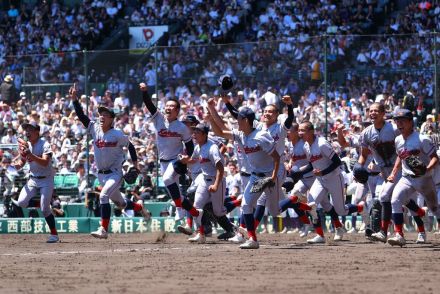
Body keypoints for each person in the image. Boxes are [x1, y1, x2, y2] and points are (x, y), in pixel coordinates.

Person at [70, 84, 149, 239]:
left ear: (111, 119)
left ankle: (103, 230)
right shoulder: (95, 129)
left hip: (115, 173)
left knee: (103, 196)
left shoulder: (117, 134)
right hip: (101, 174)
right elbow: (82, 116)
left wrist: (135, 164)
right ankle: (140, 208)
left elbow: (131, 146)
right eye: (100, 113)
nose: (101, 116)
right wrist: (75, 100)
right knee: (121, 203)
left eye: (105, 114)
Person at [208, 99, 280, 249]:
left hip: (270, 176)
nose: (237, 121)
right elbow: (219, 132)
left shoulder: (261, 136)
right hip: (256, 178)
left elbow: (277, 158)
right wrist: (211, 114)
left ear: (246, 120)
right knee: (246, 205)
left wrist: (273, 177)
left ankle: (296, 200)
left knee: (275, 211)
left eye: (239, 119)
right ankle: (253, 239)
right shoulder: (242, 135)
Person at [139, 83, 203, 227]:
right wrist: (144, 92)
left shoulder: (182, 127)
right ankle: (194, 213)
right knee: (174, 192)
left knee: (168, 179)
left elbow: (189, 145)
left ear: (177, 111)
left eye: (171, 106)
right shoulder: (158, 119)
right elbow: (149, 105)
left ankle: (180, 209)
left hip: (176, 160)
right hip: (163, 162)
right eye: (166, 105)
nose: (167, 108)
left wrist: (186, 160)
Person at [297, 121, 367, 244]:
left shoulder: (322, 143)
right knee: (310, 205)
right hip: (320, 180)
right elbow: (311, 164)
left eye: (303, 130)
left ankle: (360, 208)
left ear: (311, 131)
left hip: (334, 178)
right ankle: (320, 235)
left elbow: (337, 162)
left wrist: (322, 172)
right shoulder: (306, 146)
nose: (300, 133)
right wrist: (298, 172)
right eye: (299, 130)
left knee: (341, 211)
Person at [386, 109, 440, 246]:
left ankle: (424, 229)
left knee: (434, 208)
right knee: (395, 200)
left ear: (411, 122)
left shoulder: (422, 139)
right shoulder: (398, 139)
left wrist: (427, 169)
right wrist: (393, 172)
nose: (399, 123)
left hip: (424, 179)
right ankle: (399, 235)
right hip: (407, 178)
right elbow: (400, 156)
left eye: (402, 120)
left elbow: (435, 158)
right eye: (397, 121)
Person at [180, 123, 236, 243]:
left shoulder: (212, 148)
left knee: (218, 211)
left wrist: (216, 184)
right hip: (205, 180)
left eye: (197, 132)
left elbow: (220, 168)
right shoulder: (198, 147)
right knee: (196, 207)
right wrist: (186, 160)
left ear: (205, 135)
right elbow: (193, 159)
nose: (194, 134)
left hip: (217, 180)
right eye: (194, 132)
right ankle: (201, 233)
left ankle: (234, 229)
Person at [12, 121, 59, 243]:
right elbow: (23, 161)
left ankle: (54, 235)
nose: (27, 132)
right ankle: (42, 203)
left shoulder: (45, 144)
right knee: (21, 202)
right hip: (33, 179)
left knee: (45, 210)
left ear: (37, 132)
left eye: (30, 129)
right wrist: (18, 165)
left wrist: (30, 154)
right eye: (26, 129)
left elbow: (45, 163)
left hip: (46, 179)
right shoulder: (26, 146)